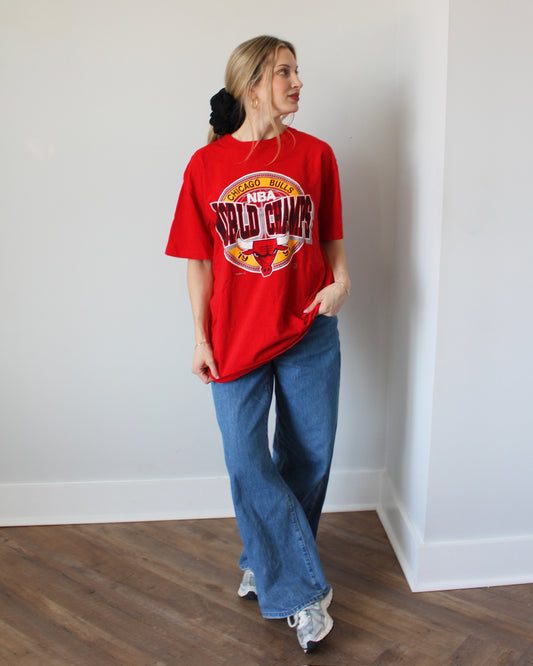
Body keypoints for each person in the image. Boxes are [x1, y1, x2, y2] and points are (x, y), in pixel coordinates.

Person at [165, 35, 350, 653]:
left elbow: (330, 235)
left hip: (308, 328)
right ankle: (302, 593)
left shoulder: (317, 155)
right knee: (248, 461)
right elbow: (198, 262)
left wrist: (342, 280)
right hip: (234, 337)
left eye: (298, 71)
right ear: (251, 87)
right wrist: (199, 338)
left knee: (310, 455)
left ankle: (266, 563)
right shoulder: (206, 165)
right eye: (283, 72)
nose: (297, 82)